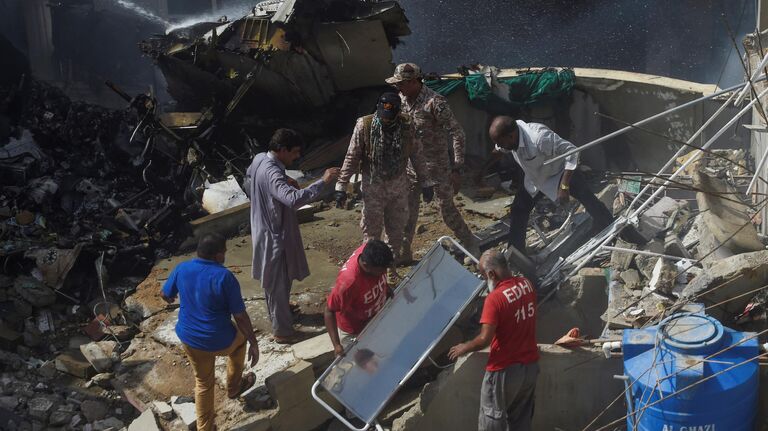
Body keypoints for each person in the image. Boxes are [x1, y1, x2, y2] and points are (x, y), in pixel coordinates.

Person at [488, 116, 643, 255]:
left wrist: (564, 186)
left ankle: (619, 234)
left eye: (501, 142)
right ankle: (516, 252)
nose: (499, 145)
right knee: (519, 209)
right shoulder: (509, 139)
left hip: (562, 172)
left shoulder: (539, 137)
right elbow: (498, 151)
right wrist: (481, 170)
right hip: (537, 178)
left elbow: (572, 152)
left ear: (511, 135)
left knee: (589, 201)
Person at [244, 128, 340, 343]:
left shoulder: (260, 158)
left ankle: (281, 314)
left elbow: (248, 177)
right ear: (281, 150)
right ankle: (282, 332)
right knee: (276, 284)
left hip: (264, 229)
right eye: (294, 152)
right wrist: (323, 181)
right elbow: (294, 200)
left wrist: (283, 180)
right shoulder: (272, 172)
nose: (297, 156)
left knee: (277, 282)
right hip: (274, 237)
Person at [161, 233, 260, 431]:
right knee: (240, 341)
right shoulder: (224, 276)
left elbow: (165, 294)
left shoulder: (182, 268)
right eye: (223, 252)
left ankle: (205, 428)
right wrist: (254, 342)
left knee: (203, 383)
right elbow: (240, 316)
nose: (225, 255)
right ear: (217, 256)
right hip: (220, 341)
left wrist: (171, 298)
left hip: (189, 339)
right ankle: (234, 387)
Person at [386, 62, 478, 261]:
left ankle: (470, 242)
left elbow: (457, 132)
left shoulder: (435, 102)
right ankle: (403, 252)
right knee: (406, 210)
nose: (397, 88)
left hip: (437, 169)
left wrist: (457, 167)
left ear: (412, 82)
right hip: (411, 169)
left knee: (446, 209)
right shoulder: (401, 101)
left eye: (400, 83)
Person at [334, 92, 434, 264]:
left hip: (398, 186)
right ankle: (371, 268)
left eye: (390, 116)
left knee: (396, 230)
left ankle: (390, 267)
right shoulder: (364, 125)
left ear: (397, 112)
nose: (386, 120)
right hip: (373, 186)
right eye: (383, 115)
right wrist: (341, 186)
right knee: (371, 232)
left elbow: (417, 155)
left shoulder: (407, 125)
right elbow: (352, 157)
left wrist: (426, 182)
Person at [448, 249, 539, 431]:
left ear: (491, 273)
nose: (484, 280)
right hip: (530, 366)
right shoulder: (526, 284)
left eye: (483, 275)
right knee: (521, 421)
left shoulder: (494, 299)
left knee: (492, 421)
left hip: (504, 370)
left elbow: (484, 339)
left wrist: (465, 347)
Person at [324, 239, 393, 357]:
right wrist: (337, 345)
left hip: (373, 317)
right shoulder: (348, 283)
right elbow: (329, 311)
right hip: (355, 329)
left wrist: (386, 288)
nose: (384, 272)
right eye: (382, 270)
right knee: (361, 362)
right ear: (366, 266)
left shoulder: (372, 252)